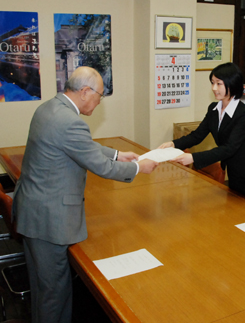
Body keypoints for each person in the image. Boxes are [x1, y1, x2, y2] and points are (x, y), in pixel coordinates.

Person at [12, 66, 158, 323]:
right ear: (85, 91)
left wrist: (116, 153)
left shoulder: (50, 108)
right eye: (99, 96)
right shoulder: (71, 122)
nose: (99, 102)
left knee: (42, 289)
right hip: (50, 219)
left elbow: (80, 145)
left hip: (32, 210)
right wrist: (138, 167)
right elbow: (102, 168)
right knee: (54, 294)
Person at [158, 62, 245, 204]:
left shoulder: (243, 114)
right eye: (212, 83)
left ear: (232, 83)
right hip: (233, 174)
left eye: (219, 83)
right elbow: (197, 135)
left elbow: (229, 148)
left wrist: (193, 158)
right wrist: (173, 144)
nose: (214, 88)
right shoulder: (213, 109)